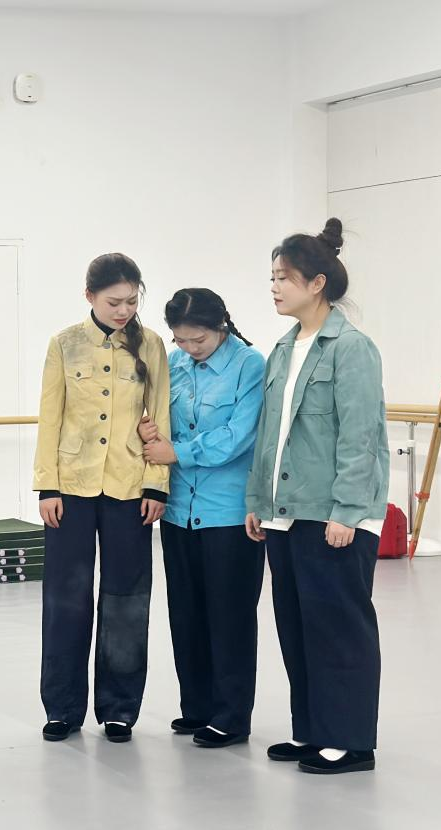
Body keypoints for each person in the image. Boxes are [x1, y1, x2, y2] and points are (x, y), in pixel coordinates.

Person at [245, 218, 388, 775]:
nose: (275, 287)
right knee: (298, 626)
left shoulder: (352, 349)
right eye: (273, 278)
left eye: (284, 277)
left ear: (317, 283)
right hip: (286, 513)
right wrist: (258, 501)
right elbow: (270, 435)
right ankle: (312, 731)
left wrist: (347, 510)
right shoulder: (284, 349)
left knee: (339, 629)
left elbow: (360, 436)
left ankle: (350, 741)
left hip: (333, 514)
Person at [33, 252, 170, 744]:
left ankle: (119, 709)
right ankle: (62, 708)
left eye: (132, 301)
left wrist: (157, 483)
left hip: (130, 487)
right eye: (114, 302)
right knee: (65, 599)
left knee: (127, 600)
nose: (124, 311)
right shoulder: (64, 344)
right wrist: (47, 485)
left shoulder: (151, 345)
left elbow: (160, 415)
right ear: (89, 296)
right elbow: (50, 416)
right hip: (71, 487)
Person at [137, 288, 265, 748]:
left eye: (200, 340)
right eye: (181, 340)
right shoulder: (174, 363)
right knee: (186, 614)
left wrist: (177, 452)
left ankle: (231, 717)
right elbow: (160, 421)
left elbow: (239, 435)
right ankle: (197, 707)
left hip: (229, 513)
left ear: (221, 327)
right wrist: (150, 430)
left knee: (229, 617)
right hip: (179, 513)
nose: (190, 348)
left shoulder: (250, 366)